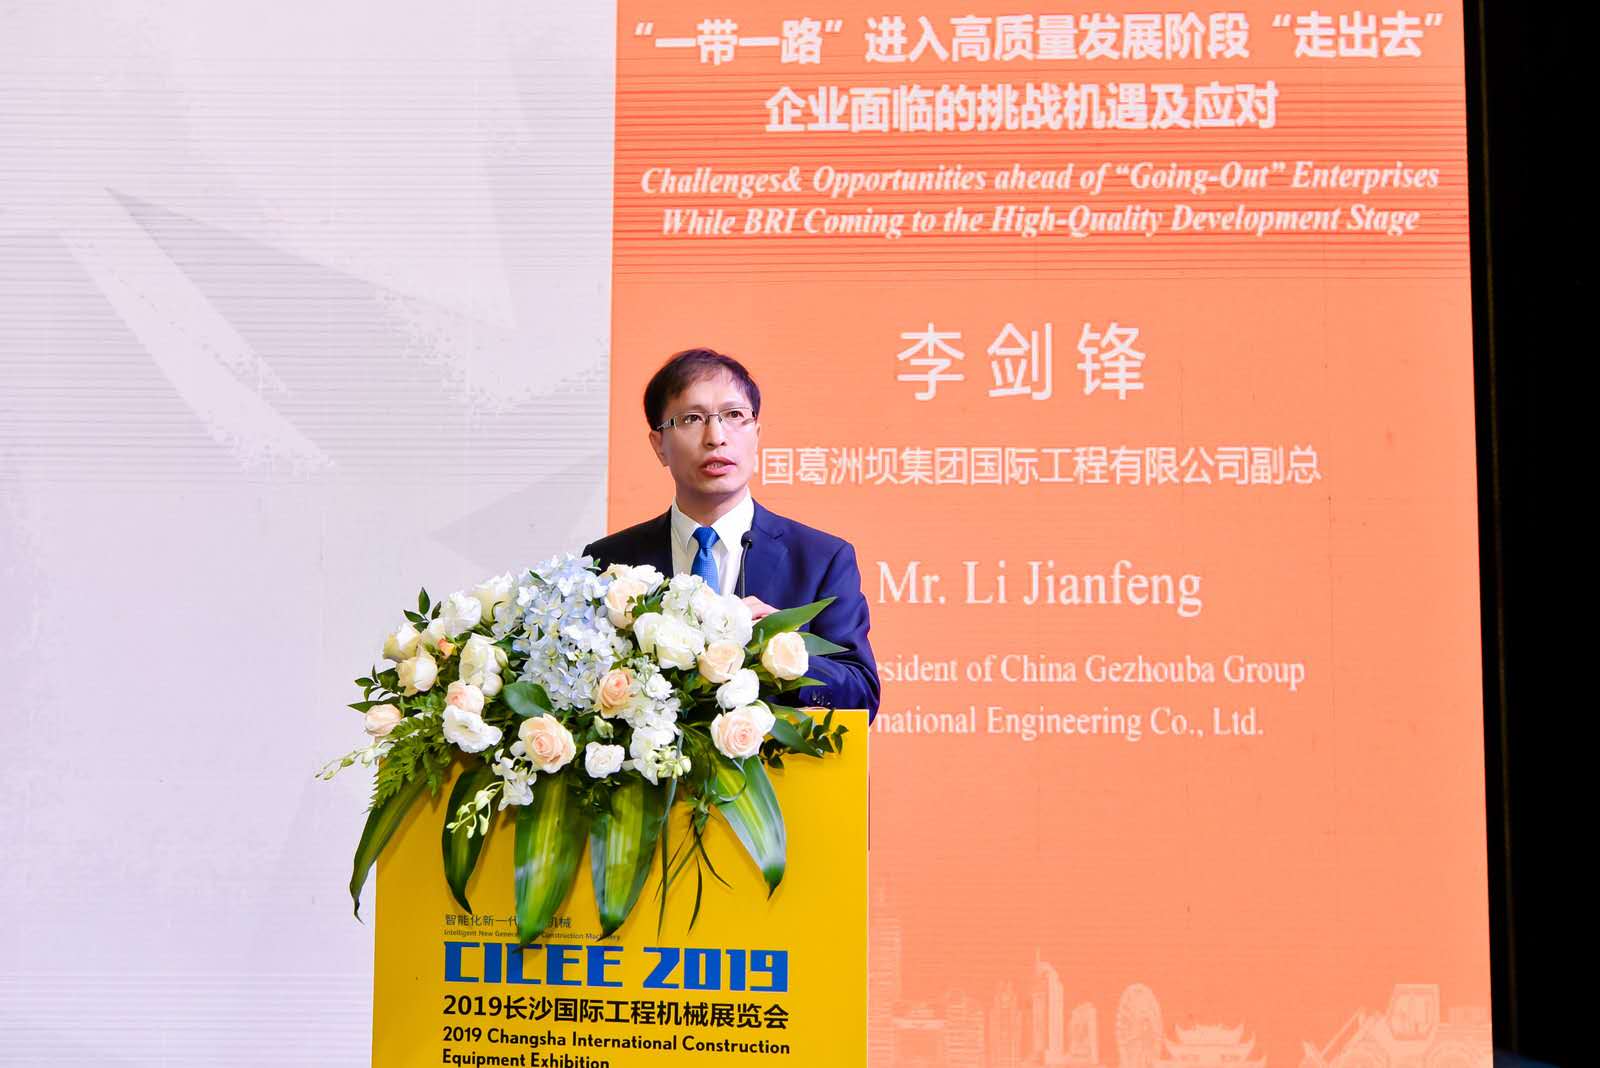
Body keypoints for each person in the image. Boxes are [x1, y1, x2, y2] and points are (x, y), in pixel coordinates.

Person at [583, 347, 880, 721]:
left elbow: (861, 696)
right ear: (659, 445)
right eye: (692, 418)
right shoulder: (609, 562)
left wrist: (782, 651)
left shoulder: (821, 559)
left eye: (734, 415)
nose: (716, 437)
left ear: (757, 434)